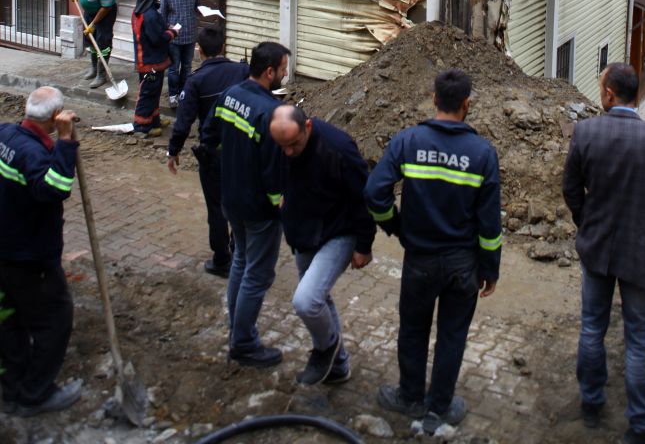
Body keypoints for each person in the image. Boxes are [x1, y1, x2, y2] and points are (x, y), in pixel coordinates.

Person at [365, 68, 501, 437]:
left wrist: (395, 226)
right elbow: (490, 224)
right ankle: (440, 407)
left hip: (419, 261)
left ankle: (410, 396)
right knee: (452, 336)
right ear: (467, 104)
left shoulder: (408, 141)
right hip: (463, 266)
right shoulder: (483, 154)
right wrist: (490, 268)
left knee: (413, 330)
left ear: (434, 99)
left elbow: (374, 193)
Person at [562, 62, 645, 444]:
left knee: (592, 327)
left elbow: (571, 189)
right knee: (637, 341)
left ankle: (591, 402)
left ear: (608, 93)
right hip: (642, 252)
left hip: (597, 248)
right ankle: (641, 424)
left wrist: (586, 221)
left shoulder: (586, 132)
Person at [270, 103, 375, 386]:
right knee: (318, 298)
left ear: (307, 126)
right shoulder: (284, 143)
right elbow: (281, 171)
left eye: (293, 144)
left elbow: (364, 198)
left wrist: (364, 245)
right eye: (282, 146)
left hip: (339, 233)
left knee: (306, 301)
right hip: (303, 232)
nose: (288, 152)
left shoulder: (338, 148)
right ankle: (338, 366)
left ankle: (325, 349)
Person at [204, 40, 289, 368]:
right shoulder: (269, 112)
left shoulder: (230, 95)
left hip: (231, 199)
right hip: (258, 208)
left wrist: (232, 163)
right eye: (282, 70)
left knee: (240, 260)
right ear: (269, 72)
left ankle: (236, 328)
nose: (285, 75)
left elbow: (209, 136)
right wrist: (278, 205)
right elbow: (273, 170)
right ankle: (242, 343)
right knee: (258, 274)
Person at [0, 87, 82, 416]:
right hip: (29, 257)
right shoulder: (34, 155)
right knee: (55, 319)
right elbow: (56, 188)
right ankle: (35, 394)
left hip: (5, 248)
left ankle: (11, 386)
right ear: (54, 118)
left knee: (10, 318)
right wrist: (66, 141)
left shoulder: (5, 134)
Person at [166, 25, 249, 277]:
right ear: (223, 46)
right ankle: (240, 252)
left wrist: (173, 150)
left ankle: (222, 260)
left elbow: (183, 122)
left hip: (213, 154)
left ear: (199, 51)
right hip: (243, 150)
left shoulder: (196, 81)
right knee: (240, 202)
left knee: (217, 208)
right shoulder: (242, 71)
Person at [131, 0, 180, 137]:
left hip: (148, 60)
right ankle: (142, 126)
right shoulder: (150, 15)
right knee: (148, 93)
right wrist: (172, 32)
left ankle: (154, 120)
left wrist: (165, 27)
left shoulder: (140, 11)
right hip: (150, 63)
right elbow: (157, 39)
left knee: (154, 92)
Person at [68, 0, 118, 89]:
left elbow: (106, 8)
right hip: (89, 12)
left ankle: (101, 75)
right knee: (90, 39)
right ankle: (94, 68)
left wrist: (94, 24)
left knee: (103, 42)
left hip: (105, 14)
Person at [161, 0, 200, 109]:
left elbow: (196, 8)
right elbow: (162, 16)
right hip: (174, 38)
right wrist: (168, 27)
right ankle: (173, 95)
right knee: (173, 68)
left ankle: (183, 93)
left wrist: (203, 11)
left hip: (190, 35)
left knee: (187, 67)